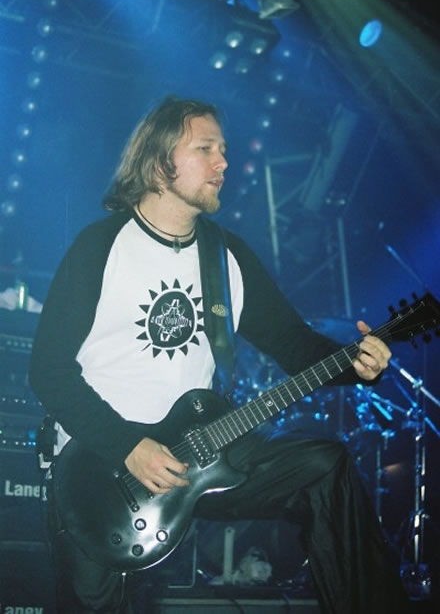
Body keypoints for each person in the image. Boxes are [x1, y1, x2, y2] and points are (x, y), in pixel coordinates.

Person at [30, 96, 408, 614]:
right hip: (100, 467)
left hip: (200, 452)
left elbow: (294, 345)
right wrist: (128, 446)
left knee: (326, 466)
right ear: (160, 163)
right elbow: (47, 371)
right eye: (205, 149)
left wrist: (357, 365)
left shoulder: (226, 256)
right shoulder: (100, 247)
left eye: (223, 151)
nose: (223, 163)